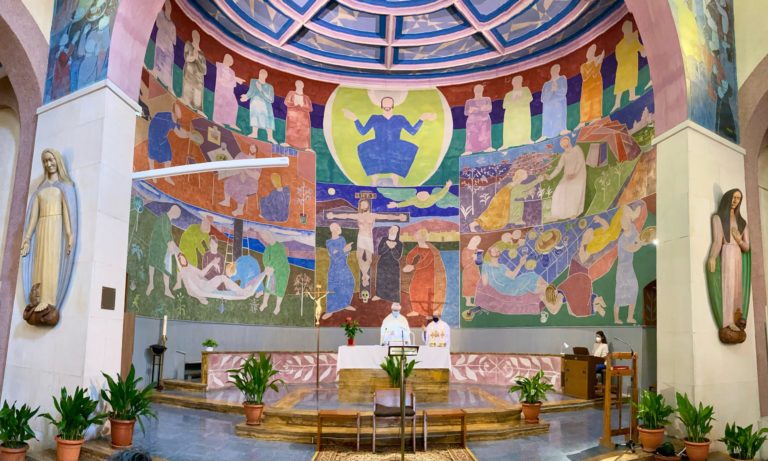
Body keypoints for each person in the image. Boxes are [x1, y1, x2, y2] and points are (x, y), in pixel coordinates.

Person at [20, 149, 78, 315]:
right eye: (45, 161)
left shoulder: (65, 187)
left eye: (51, 160)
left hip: (55, 228)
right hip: (42, 228)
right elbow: (33, 218)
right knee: (40, 261)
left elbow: (67, 213)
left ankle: (48, 299)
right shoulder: (40, 190)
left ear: (57, 161)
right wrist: (27, 238)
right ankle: (38, 298)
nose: (49, 164)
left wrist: (69, 235)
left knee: (51, 262)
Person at [342, 97, 436, 186]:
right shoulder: (374, 118)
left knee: (402, 154)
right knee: (366, 150)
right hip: (378, 145)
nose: (387, 107)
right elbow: (363, 132)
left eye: (389, 104)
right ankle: (374, 182)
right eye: (385, 104)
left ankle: (395, 182)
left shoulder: (400, 118)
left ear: (393, 105)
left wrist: (422, 118)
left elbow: (412, 131)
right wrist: (355, 119)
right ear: (381, 106)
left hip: (395, 145)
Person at [327, 199, 406, 288]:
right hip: (361, 237)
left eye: (365, 204)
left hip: (368, 238)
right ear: (360, 206)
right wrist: (333, 215)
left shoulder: (373, 215)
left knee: (369, 258)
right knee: (359, 257)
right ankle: (365, 276)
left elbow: (387, 216)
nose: (363, 206)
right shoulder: (358, 215)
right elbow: (346, 215)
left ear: (368, 205)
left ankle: (364, 276)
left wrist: (399, 217)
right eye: (362, 204)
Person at [707, 189, 750, 332]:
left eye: (738, 198)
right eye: (733, 197)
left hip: (737, 254)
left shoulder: (742, 222)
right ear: (727, 198)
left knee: (737, 288)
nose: (735, 200)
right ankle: (728, 320)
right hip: (727, 253)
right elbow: (717, 241)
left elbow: (747, 247)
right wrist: (712, 256)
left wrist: (739, 239)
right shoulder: (718, 218)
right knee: (728, 286)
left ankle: (737, 318)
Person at [469, 169, 545, 232]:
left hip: (503, 202)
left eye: (523, 178)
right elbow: (521, 189)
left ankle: (516, 220)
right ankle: (473, 225)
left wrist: (536, 182)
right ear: (519, 177)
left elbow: (523, 189)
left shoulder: (516, 184)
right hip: (501, 202)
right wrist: (537, 181)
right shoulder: (513, 184)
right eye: (522, 177)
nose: (522, 179)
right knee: (492, 217)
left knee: (493, 215)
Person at [175, 253, 262, 305]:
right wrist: (199, 297)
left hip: (206, 284)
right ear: (179, 262)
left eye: (183, 258)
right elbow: (189, 289)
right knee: (222, 277)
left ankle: (238, 290)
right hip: (203, 288)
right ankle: (241, 291)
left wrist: (212, 263)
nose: (183, 260)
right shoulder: (183, 272)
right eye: (181, 260)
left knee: (222, 277)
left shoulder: (190, 267)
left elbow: (202, 273)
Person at [403, 229, 446, 318]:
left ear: (422, 237)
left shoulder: (431, 250)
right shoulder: (419, 246)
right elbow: (411, 254)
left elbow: (426, 262)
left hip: (431, 273)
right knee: (414, 288)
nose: (415, 235)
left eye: (417, 234)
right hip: (420, 271)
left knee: (428, 293)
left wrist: (412, 267)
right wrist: (408, 264)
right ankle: (416, 310)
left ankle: (429, 313)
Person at [147, 103, 189, 185]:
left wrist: (188, 133)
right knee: (152, 154)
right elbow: (179, 133)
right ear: (173, 113)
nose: (177, 119)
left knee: (168, 154)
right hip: (155, 137)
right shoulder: (169, 119)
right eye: (176, 117)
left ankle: (166, 177)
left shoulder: (172, 117)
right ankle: (152, 174)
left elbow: (179, 128)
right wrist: (189, 135)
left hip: (161, 137)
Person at [547, 137, 587, 221]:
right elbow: (559, 167)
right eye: (562, 144)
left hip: (578, 175)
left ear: (569, 141)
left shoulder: (577, 149)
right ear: (562, 146)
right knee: (558, 192)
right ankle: (556, 215)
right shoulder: (564, 155)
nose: (565, 144)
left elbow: (580, 161)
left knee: (574, 192)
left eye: (566, 142)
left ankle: (573, 213)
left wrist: (574, 173)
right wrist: (550, 176)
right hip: (567, 176)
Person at [146, 205, 181, 298]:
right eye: (175, 216)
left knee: (164, 267)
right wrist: (170, 245)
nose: (174, 218)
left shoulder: (168, 221)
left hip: (163, 246)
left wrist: (176, 248)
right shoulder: (164, 218)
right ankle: (151, 284)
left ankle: (166, 289)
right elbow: (165, 233)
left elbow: (169, 236)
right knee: (153, 264)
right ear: (173, 211)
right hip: (158, 245)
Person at [323, 223, 356, 320]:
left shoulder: (342, 239)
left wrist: (347, 250)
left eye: (338, 228)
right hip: (335, 268)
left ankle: (345, 304)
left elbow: (343, 254)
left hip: (344, 266)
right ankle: (330, 310)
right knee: (333, 288)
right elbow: (334, 256)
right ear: (332, 230)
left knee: (349, 283)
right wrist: (344, 250)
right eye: (336, 228)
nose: (338, 229)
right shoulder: (329, 242)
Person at [611, 21, 645, 112]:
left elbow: (643, 54)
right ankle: (617, 103)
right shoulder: (619, 45)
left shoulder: (634, 40)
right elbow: (619, 58)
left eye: (630, 28)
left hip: (632, 66)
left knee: (632, 80)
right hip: (622, 69)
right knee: (620, 86)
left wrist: (637, 41)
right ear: (623, 30)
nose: (629, 31)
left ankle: (632, 95)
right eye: (627, 29)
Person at [258, 231, 290, 315]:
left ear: (270, 236)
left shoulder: (280, 246)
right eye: (263, 238)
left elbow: (280, 259)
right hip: (271, 270)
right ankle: (264, 303)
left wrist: (272, 267)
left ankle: (277, 306)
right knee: (268, 286)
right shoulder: (268, 247)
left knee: (280, 288)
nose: (265, 239)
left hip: (282, 270)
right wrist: (267, 266)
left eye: (265, 237)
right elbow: (265, 257)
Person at [241, 69, 276, 143]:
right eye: (260, 73)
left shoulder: (269, 87)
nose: (261, 75)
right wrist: (246, 97)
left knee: (268, 120)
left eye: (263, 74)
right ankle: (254, 133)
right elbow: (251, 91)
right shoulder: (254, 81)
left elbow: (271, 99)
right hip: (255, 103)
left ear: (266, 76)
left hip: (266, 106)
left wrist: (261, 90)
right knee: (255, 116)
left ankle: (270, 137)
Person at [373, 225, 403, 303]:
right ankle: (379, 295)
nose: (392, 231)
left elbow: (397, 256)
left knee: (393, 281)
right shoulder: (384, 239)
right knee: (381, 280)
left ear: (397, 232)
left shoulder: (399, 243)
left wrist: (393, 248)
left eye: (395, 230)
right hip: (382, 263)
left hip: (393, 265)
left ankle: (393, 299)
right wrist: (387, 245)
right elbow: (380, 252)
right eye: (391, 229)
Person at [501, 75, 533, 148]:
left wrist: (520, 100)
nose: (517, 83)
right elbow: (504, 105)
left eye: (519, 81)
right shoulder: (508, 94)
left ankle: (526, 139)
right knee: (511, 129)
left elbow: (530, 98)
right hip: (511, 116)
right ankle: (507, 143)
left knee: (523, 126)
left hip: (523, 114)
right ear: (513, 83)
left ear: (521, 82)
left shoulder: (525, 89)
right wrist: (514, 101)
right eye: (515, 82)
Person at [213, 54, 244, 128]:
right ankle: (217, 119)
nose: (229, 63)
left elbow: (232, 81)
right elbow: (221, 79)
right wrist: (234, 80)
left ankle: (231, 123)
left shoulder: (231, 71)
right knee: (220, 104)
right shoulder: (219, 67)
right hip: (221, 90)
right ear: (225, 60)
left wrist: (235, 79)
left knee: (234, 105)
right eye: (228, 61)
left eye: (230, 62)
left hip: (229, 92)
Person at [578, 44, 605, 127]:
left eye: (592, 51)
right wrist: (597, 61)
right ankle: (583, 121)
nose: (590, 53)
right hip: (586, 87)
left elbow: (595, 72)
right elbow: (585, 77)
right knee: (585, 102)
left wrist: (599, 60)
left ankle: (596, 117)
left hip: (596, 83)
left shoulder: (595, 62)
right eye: (589, 52)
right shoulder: (583, 66)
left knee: (596, 99)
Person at [539, 64, 568, 140]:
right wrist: (551, 90)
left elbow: (564, 91)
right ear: (551, 71)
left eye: (556, 69)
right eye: (553, 70)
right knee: (547, 119)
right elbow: (543, 98)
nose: (554, 71)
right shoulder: (546, 84)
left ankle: (562, 129)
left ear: (559, 70)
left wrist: (556, 89)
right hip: (548, 107)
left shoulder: (562, 79)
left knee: (559, 116)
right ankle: (545, 134)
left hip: (559, 104)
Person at [463, 84, 494, 155]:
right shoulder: (469, 101)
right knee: (471, 135)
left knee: (485, 134)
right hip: (472, 121)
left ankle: (487, 147)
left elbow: (489, 109)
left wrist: (476, 110)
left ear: (482, 90)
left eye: (480, 90)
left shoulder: (487, 99)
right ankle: (469, 149)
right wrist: (477, 109)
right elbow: (466, 112)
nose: (478, 92)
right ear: (474, 91)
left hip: (484, 120)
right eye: (477, 90)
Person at [283, 80, 313, 151]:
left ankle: (306, 147)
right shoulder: (291, 93)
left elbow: (310, 108)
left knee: (304, 132)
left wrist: (302, 105)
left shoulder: (306, 97)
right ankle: (288, 143)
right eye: (298, 84)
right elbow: (286, 102)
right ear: (296, 85)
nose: (299, 86)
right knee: (291, 130)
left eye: (301, 84)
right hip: (293, 117)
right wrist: (294, 104)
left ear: (303, 86)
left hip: (303, 118)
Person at [181, 30, 206, 112]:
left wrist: (197, 58)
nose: (196, 39)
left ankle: (197, 109)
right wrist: (193, 55)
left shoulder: (201, 54)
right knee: (187, 96)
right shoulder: (188, 45)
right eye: (195, 37)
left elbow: (204, 71)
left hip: (198, 79)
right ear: (192, 37)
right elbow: (187, 58)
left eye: (197, 38)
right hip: (189, 74)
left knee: (197, 101)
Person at [153, 0, 176, 87]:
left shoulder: (172, 25)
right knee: (158, 59)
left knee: (167, 65)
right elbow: (158, 24)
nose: (168, 8)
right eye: (167, 6)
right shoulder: (161, 14)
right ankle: (156, 74)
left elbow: (174, 40)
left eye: (169, 7)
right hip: (161, 41)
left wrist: (167, 31)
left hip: (168, 47)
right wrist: (167, 32)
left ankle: (168, 84)